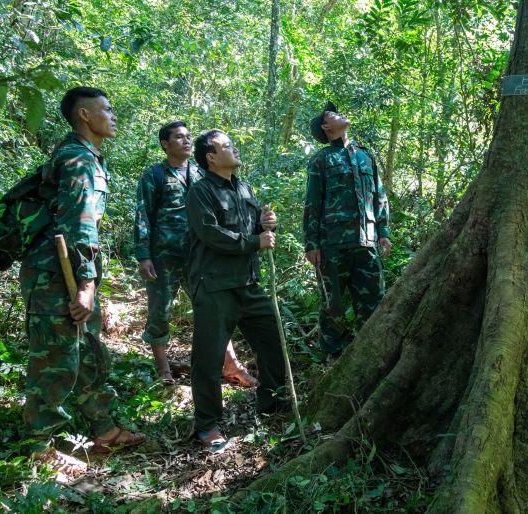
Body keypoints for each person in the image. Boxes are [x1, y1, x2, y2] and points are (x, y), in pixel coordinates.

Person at [20, 87, 144, 476]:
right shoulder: (76, 159)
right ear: (85, 116)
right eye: (106, 109)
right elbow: (78, 226)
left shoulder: (87, 157)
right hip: (55, 277)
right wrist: (87, 285)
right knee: (55, 358)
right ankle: (39, 448)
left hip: (71, 271)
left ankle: (104, 430)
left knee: (89, 350)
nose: (113, 114)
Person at [133, 121, 258, 388]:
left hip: (200, 257)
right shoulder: (154, 175)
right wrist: (144, 255)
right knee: (160, 312)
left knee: (216, 310)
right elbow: (143, 215)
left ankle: (231, 366)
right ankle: (163, 369)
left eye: (189, 137)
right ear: (165, 144)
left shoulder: (203, 174)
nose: (186, 141)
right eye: (179, 137)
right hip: (164, 257)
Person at [187, 129, 287, 450]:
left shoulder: (243, 187)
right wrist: (254, 241)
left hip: (248, 283)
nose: (233, 149)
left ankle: (272, 401)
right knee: (209, 356)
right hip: (215, 286)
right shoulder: (200, 192)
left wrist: (266, 224)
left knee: (272, 337)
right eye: (226, 146)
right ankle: (207, 425)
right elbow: (211, 234)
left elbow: (255, 228)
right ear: (211, 157)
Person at [303, 101, 391, 358]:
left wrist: (383, 232)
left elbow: (380, 196)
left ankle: (372, 354)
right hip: (332, 245)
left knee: (374, 302)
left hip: (367, 243)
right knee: (333, 306)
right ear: (326, 127)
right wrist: (312, 244)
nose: (341, 114)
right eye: (333, 114)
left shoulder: (366, 155)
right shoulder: (321, 159)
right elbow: (312, 203)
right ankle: (335, 357)